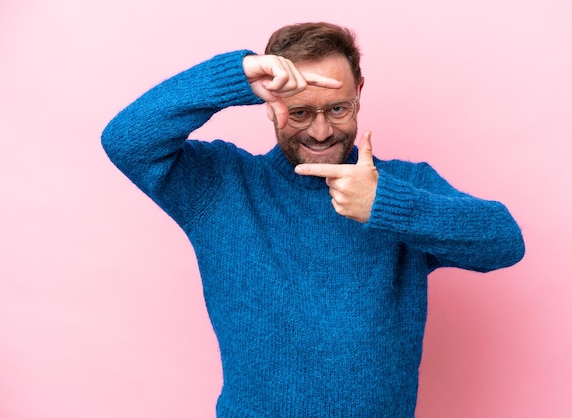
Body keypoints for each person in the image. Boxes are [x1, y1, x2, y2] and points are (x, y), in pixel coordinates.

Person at [102, 21, 524, 417]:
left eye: (339, 109)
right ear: (269, 105)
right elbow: (125, 140)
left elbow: (504, 241)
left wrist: (387, 205)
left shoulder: (401, 185)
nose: (321, 132)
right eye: (300, 112)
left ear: (359, 91)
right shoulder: (221, 186)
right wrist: (235, 78)